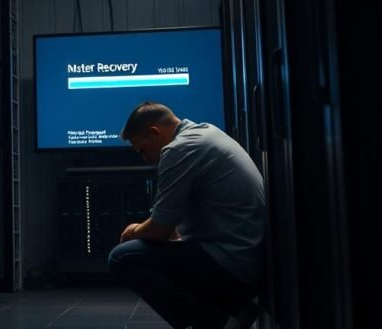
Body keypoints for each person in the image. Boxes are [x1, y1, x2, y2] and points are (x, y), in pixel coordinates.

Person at [108, 102, 266, 329]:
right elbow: (170, 226)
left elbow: (160, 229)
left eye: (142, 150)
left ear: (155, 132)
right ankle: (233, 309)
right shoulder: (205, 132)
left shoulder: (179, 149)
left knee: (122, 257)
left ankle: (218, 323)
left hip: (234, 265)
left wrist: (132, 231)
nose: (145, 159)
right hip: (247, 259)